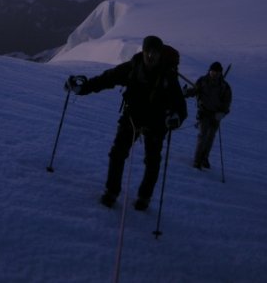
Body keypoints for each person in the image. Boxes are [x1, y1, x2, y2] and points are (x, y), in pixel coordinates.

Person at [66, 35, 187, 211]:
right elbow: (107, 79)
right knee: (118, 154)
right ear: (143, 51)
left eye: (155, 53)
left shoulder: (168, 75)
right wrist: (82, 88)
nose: (151, 56)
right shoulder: (133, 67)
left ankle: (143, 198)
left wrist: (175, 119)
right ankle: (112, 192)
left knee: (151, 161)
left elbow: (180, 107)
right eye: (148, 52)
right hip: (132, 118)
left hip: (156, 123)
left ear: (160, 54)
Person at [184, 62, 232, 170]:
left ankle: (204, 158)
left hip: (216, 116)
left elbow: (227, 102)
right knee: (202, 136)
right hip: (204, 113)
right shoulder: (203, 81)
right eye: (213, 71)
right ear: (209, 71)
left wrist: (222, 113)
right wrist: (185, 92)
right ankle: (197, 161)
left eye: (217, 72)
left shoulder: (224, 87)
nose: (214, 74)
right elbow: (195, 91)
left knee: (210, 138)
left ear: (220, 73)